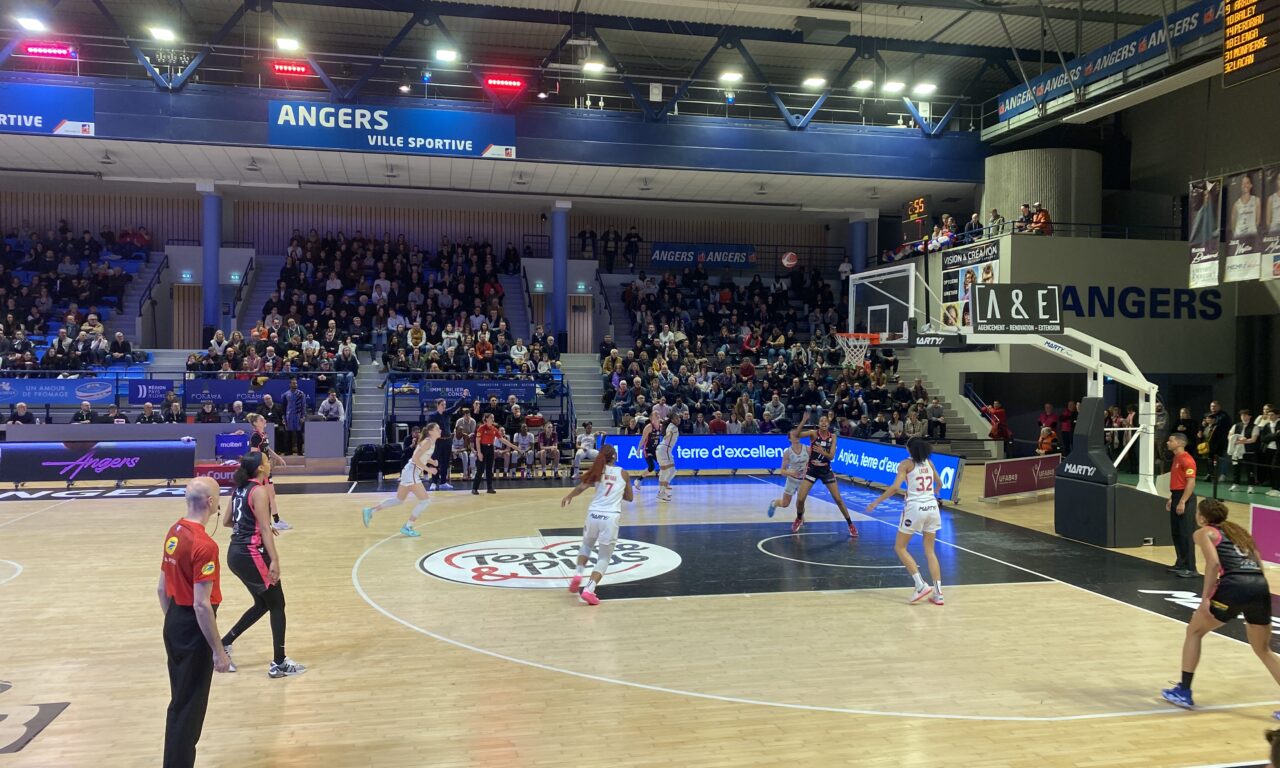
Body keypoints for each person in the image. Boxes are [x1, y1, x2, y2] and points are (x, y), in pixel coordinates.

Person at [1160, 499, 1280, 712]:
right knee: (1263, 649)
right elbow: (1259, 563)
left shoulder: (1204, 532)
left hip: (1233, 585)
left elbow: (1214, 563)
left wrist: (1205, 598)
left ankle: (1183, 691)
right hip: (1260, 586)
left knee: (1194, 631)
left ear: (1203, 518)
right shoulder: (1240, 533)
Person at [158, 477, 233, 768]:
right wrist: (219, 650)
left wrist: (175, 623)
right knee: (190, 708)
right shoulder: (205, 545)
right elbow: (202, 605)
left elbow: (161, 588)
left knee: (180, 701)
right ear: (211, 503)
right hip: (192, 625)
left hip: (175, 619)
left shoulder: (174, 531)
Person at [220, 452, 306, 679]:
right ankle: (279, 663)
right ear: (260, 468)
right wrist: (275, 560)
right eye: (267, 461)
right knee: (278, 604)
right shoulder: (259, 490)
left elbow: (228, 521)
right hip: (251, 554)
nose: (270, 464)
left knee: (262, 603)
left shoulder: (239, 488)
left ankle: (225, 643)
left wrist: (253, 527)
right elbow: (265, 529)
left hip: (235, 553)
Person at [866, 438, 944, 605]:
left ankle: (920, 585)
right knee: (930, 551)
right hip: (932, 507)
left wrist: (876, 502)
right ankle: (938, 593)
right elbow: (940, 483)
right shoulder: (929, 462)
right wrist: (936, 489)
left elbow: (895, 487)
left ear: (909, 449)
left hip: (915, 508)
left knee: (900, 547)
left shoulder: (905, 464)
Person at [560, 444, 634, 606]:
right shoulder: (623, 473)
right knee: (604, 557)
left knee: (586, 546)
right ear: (614, 456)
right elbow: (629, 498)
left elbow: (581, 487)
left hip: (593, 514)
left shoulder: (598, 471)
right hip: (610, 517)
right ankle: (589, 589)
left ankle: (578, 575)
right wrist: (619, 490)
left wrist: (569, 496)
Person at [362, 423, 439, 537]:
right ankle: (407, 526)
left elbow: (422, 455)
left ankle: (370, 511)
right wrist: (429, 469)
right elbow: (415, 458)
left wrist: (433, 462)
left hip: (409, 471)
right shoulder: (428, 441)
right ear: (431, 431)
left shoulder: (430, 441)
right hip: (412, 472)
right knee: (425, 501)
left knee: (399, 500)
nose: (440, 430)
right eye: (438, 429)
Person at [791, 409, 858, 538]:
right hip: (812, 469)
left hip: (826, 470)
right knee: (800, 499)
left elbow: (831, 456)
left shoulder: (833, 437)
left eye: (826, 421)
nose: (823, 422)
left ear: (828, 424)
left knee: (838, 499)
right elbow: (796, 435)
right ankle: (799, 518)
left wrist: (822, 451)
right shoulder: (813, 433)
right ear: (818, 424)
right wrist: (804, 421)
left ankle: (850, 524)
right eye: (821, 421)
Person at [245, 413, 290, 531]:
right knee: (269, 495)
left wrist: (277, 457)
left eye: (264, 419)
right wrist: (260, 468)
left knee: (271, 495)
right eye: (261, 419)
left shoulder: (263, 434)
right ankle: (274, 521)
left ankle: (274, 520)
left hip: (266, 468)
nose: (264, 420)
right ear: (255, 423)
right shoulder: (255, 436)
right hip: (262, 470)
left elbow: (267, 448)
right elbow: (253, 454)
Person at [1167, 432, 1199, 578]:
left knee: (1186, 534)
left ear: (1179, 443)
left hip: (1185, 498)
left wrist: (1182, 501)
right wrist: (1171, 498)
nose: (1168, 442)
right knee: (1177, 532)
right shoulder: (1176, 458)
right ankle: (1181, 562)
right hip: (1176, 495)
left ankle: (1191, 568)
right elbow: (1177, 481)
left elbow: (1190, 482)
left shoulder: (1187, 460)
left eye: (1170, 440)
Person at [766, 427, 809, 518]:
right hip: (792, 480)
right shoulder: (787, 452)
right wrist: (791, 473)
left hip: (804, 480)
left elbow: (813, 463)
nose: (796, 436)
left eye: (797, 434)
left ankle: (800, 518)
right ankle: (774, 503)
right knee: (785, 504)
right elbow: (782, 471)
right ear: (790, 439)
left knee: (800, 502)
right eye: (794, 435)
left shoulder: (808, 449)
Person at [472, 412, 510, 494]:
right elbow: (477, 441)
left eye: (493, 417)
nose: (493, 419)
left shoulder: (494, 429)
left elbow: (502, 439)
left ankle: (489, 488)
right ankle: (474, 488)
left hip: (490, 448)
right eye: (491, 418)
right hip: (482, 448)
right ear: (486, 419)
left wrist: (513, 446)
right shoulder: (481, 428)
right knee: (480, 470)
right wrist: (479, 452)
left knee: (489, 469)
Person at [1228, 408, 1262, 493]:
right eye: (1242, 415)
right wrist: (1235, 440)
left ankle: (1251, 486)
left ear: (1250, 416)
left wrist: (1241, 441)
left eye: (1245, 415)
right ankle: (1236, 485)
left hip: (1248, 451)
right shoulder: (1236, 425)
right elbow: (1230, 436)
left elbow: (1253, 439)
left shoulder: (1255, 427)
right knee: (1236, 468)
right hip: (1237, 451)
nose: (1243, 417)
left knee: (1249, 469)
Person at [655, 413, 681, 502]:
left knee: (663, 471)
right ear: (672, 420)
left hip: (660, 449)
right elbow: (669, 433)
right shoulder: (673, 427)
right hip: (665, 450)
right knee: (672, 471)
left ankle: (661, 492)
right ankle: (661, 492)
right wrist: (666, 436)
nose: (678, 419)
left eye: (679, 418)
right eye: (676, 418)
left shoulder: (670, 425)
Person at [636, 411, 662, 491]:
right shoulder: (649, 427)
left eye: (658, 414)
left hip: (656, 450)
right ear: (651, 418)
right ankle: (638, 480)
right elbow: (643, 439)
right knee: (651, 467)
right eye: (656, 414)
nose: (658, 415)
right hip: (647, 449)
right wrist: (638, 449)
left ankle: (664, 484)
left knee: (663, 465)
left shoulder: (661, 426)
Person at [282, 378, 307, 455]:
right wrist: (284, 418)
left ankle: (300, 451)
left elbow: (303, 406)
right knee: (288, 435)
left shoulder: (301, 394)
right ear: (290, 384)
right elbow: (284, 407)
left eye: (296, 383)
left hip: (298, 417)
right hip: (289, 417)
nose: (295, 385)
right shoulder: (286, 394)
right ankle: (289, 452)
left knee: (299, 435)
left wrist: (303, 416)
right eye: (293, 383)